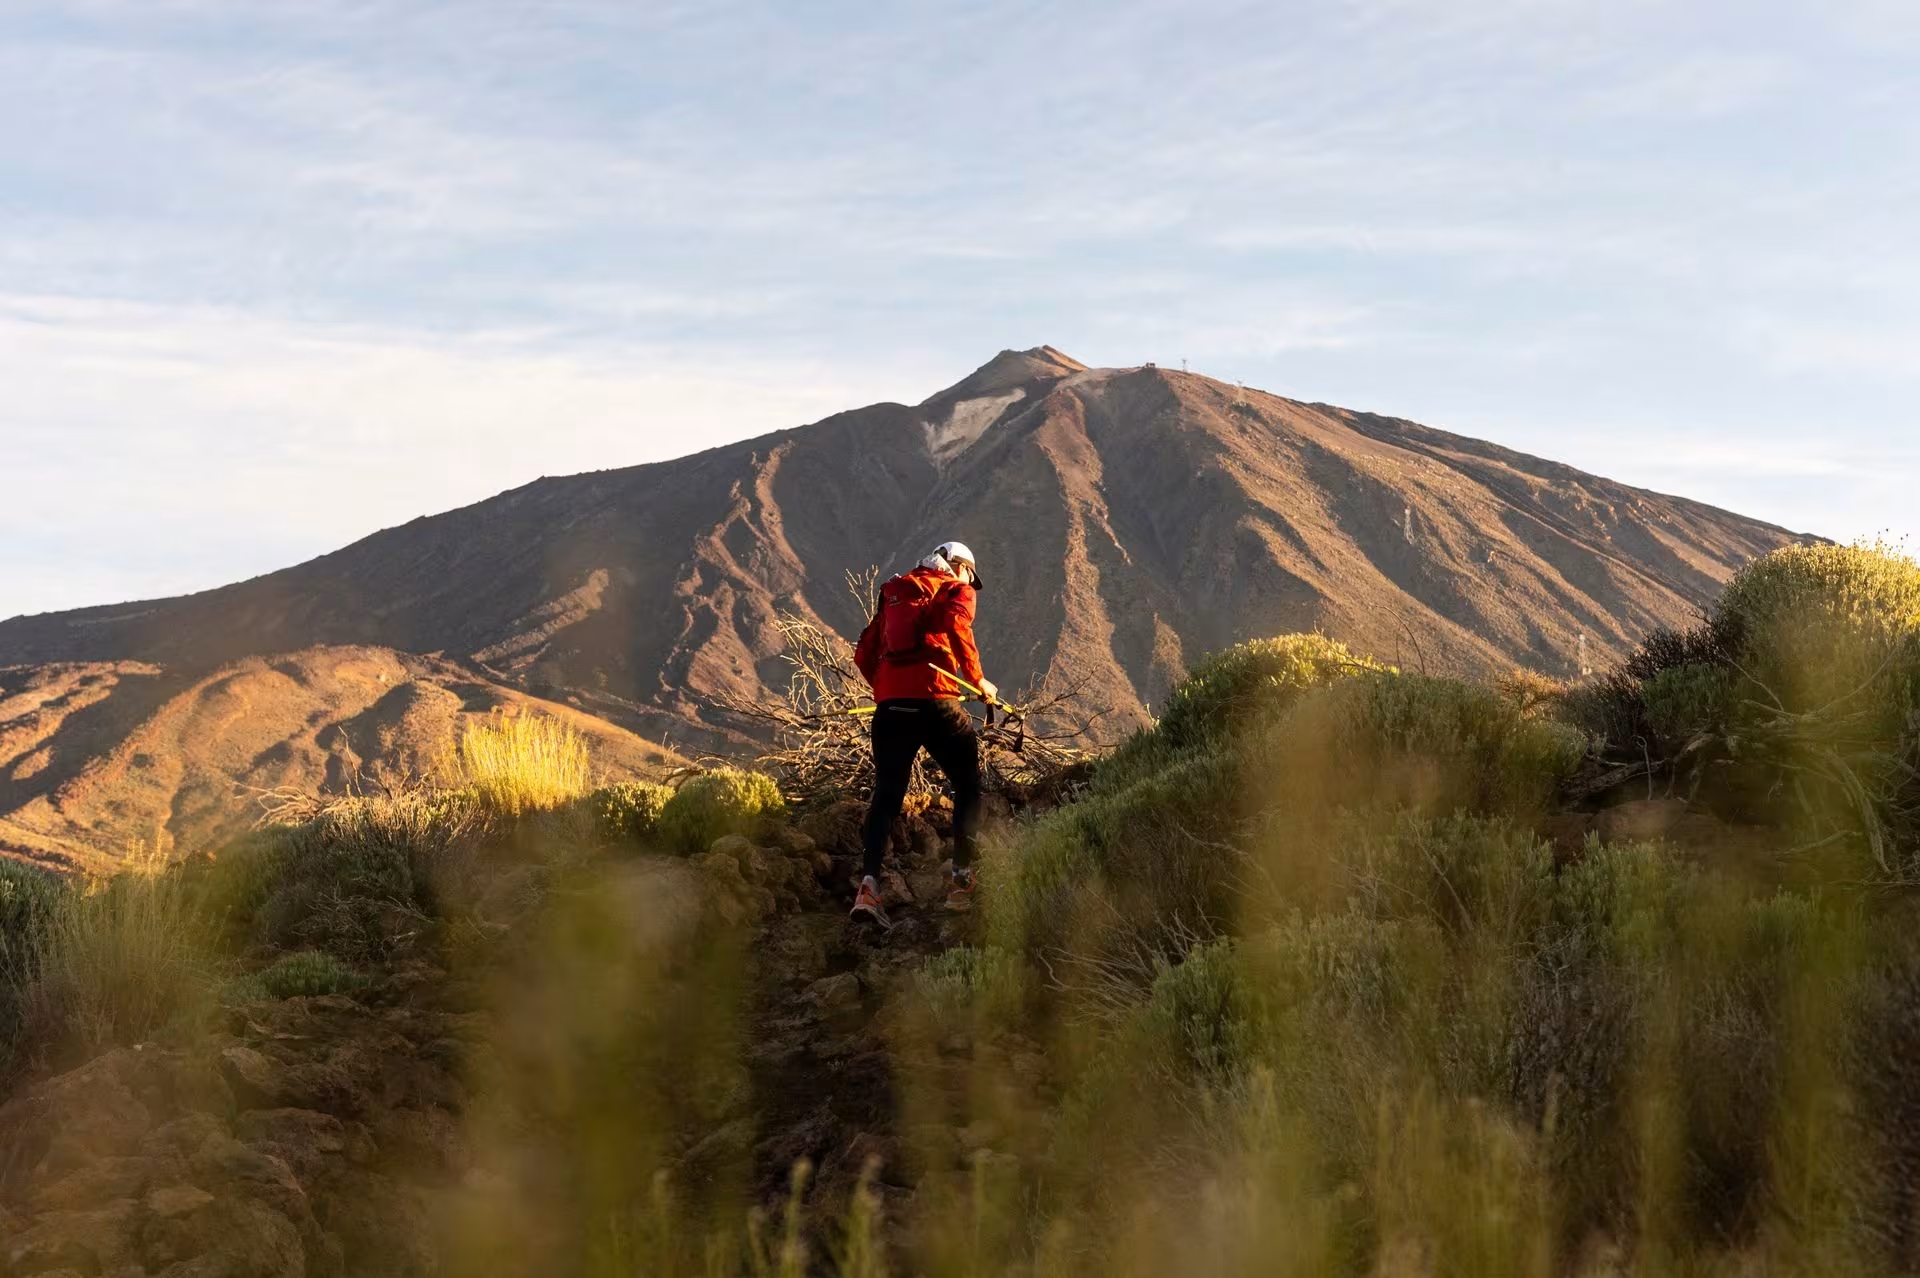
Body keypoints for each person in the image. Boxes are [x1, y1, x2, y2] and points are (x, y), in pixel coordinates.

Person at [849, 540, 997, 926]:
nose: (971, 583)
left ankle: (868, 887)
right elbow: (958, 626)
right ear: (960, 567)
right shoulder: (955, 590)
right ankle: (961, 881)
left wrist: (889, 691)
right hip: (937, 704)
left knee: (886, 796)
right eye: (970, 575)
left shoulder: (896, 593)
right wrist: (978, 680)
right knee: (967, 784)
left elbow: (864, 653)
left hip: (891, 709)